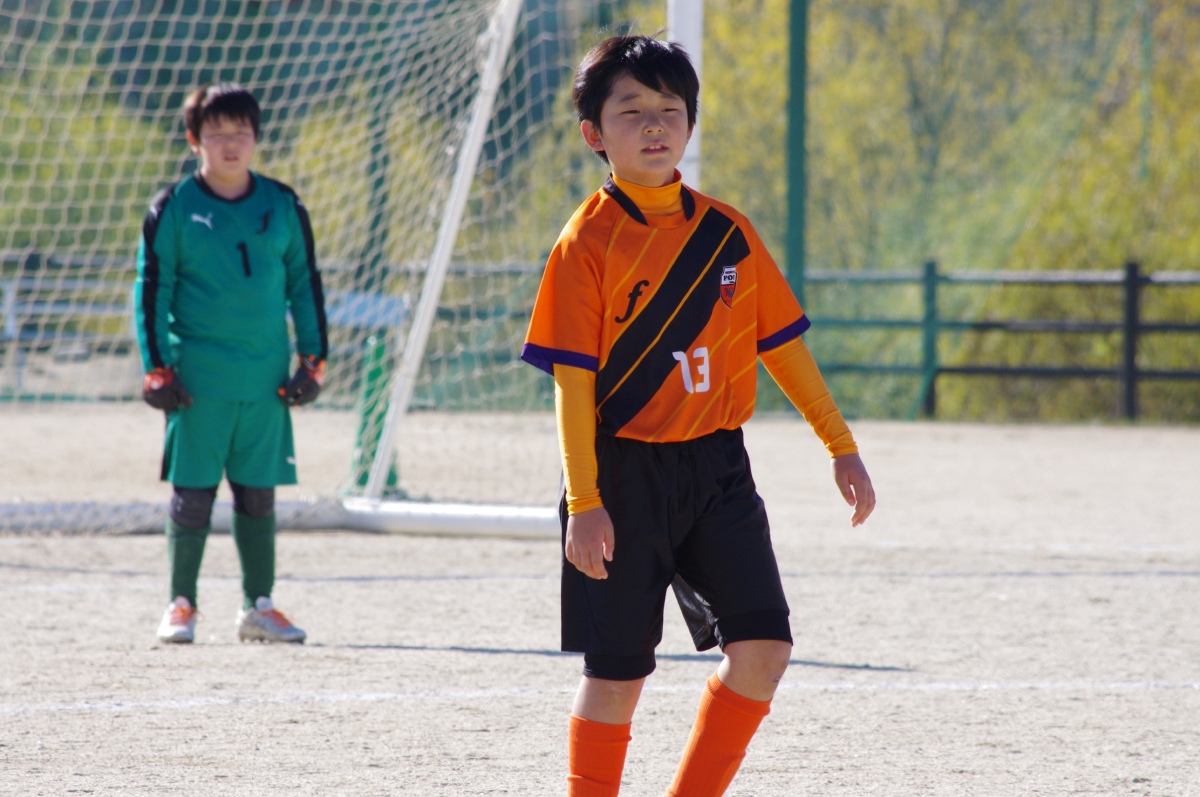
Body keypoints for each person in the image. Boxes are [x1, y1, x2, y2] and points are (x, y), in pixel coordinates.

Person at [521, 36, 876, 796]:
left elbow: (782, 347)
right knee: (618, 674)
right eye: (631, 110)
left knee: (764, 651)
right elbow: (572, 386)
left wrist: (840, 444)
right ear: (593, 133)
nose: (654, 124)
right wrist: (585, 500)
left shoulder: (728, 233)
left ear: (690, 123)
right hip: (620, 476)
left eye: (670, 109)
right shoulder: (585, 242)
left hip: (718, 469)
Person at [134, 82, 328, 645]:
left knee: (258, 495)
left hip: (264, 378)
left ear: (256, 137)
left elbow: (304, 284)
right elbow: (151, 290)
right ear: (194, 139)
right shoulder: (173, 208)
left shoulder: (284, 205)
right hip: (197, 380)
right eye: (216, 133)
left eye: (241, 132)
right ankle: (181, 605)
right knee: (193, 495)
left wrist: (313, 360)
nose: (230, 143)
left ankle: (258, 607)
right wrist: (157, 367)